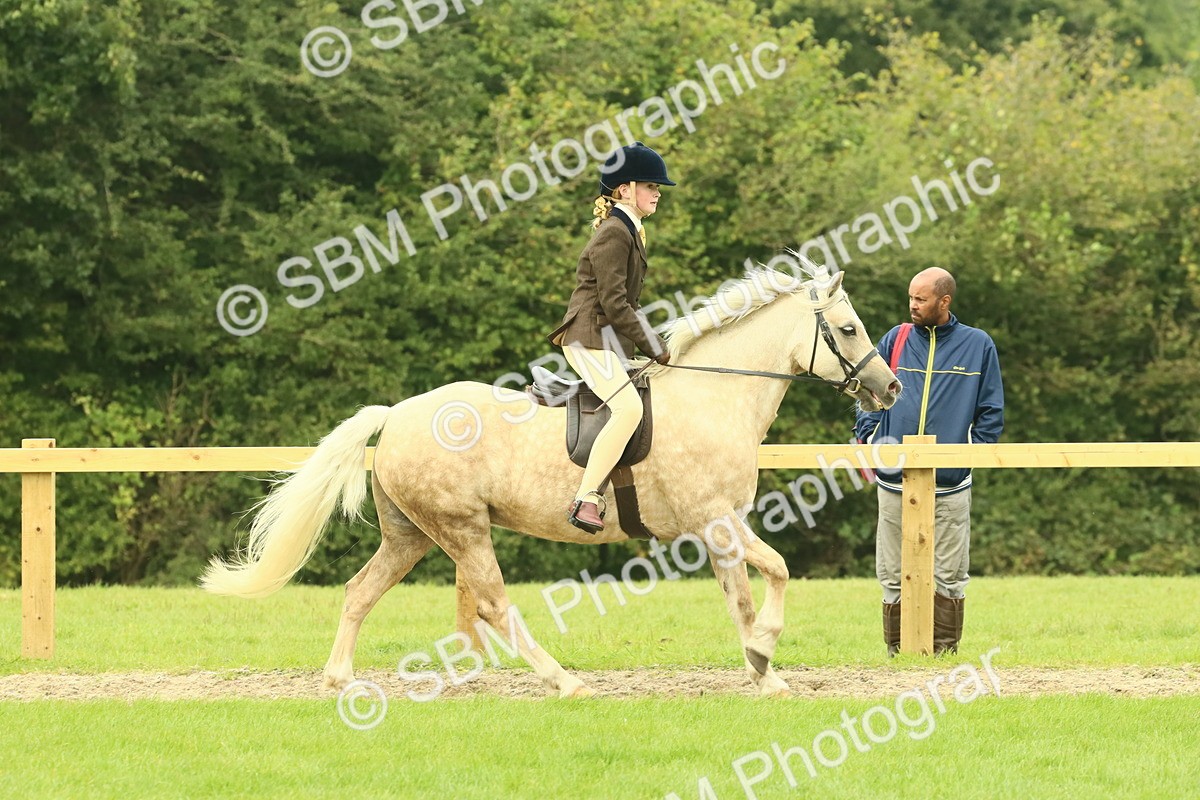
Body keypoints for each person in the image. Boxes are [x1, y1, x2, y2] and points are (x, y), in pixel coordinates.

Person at [854, 267, 1004, 655]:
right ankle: (897, 653)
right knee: (890, 574)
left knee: (949, 575)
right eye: (910, 297)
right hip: (893, 480)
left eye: (920, 299)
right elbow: (870, 393)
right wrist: (869, 434)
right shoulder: (896, 339)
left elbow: (991, 410)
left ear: (944, 301)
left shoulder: (978, 344)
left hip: (950, 484)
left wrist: (971, 454)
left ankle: (942, 654)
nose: (912, 305)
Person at [547, 142, 675, 534]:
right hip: (587, 336)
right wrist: (654, 345)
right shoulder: (614, 234)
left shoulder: (631, 231)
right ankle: (586, 497)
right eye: (651, 185)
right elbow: (616, 304)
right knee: (629, 409)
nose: (658, 192)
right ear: (624, 189)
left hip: (609, 339)